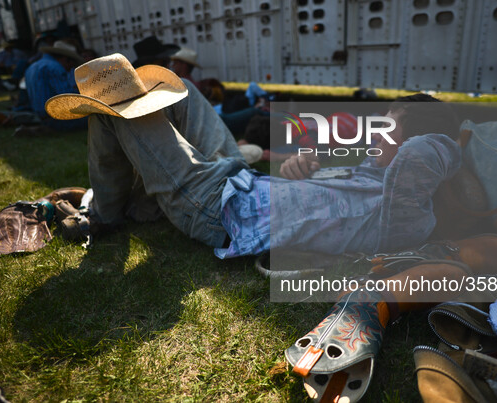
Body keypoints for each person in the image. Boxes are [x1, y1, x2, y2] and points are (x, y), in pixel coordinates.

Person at [45, 54, 461, 260]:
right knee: (183, 91)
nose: (378, 131)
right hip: (236, 177)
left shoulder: (407, 212)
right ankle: (132, 202)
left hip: (213, 207)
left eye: (390, 126)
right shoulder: (375, 173)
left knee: (113, 103)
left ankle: (106, 211)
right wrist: (299, 173)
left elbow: (425, 153)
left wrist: (455, 136)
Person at [21, 40, 87, 133]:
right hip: (55, 118)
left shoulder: (32, 66)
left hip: (41, 115)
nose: (70, 69)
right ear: (66, 59)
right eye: (71, 65)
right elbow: (68, 97)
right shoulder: (55, 68)